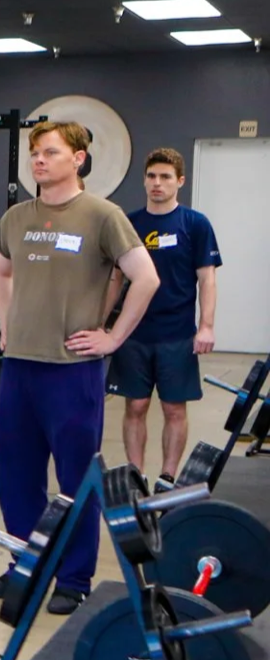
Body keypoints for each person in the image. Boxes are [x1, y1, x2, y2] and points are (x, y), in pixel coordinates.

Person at [0, 122, 158, 615]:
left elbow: (145, 277)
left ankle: (74, 577)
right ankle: (26, 563)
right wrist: (6, 324)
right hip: (19, 367)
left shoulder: (103, 215)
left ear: (78, 159)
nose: (39, 160)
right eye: (35, 153)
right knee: (14, 477)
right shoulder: (17, 217)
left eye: (50, 152)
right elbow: (1, 270)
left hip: (72, 370)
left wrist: (113, 337)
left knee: (75, 478)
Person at [105, 147, 222, 484]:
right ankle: (136, 474)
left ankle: (167, 477)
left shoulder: (195, 224)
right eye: (152, 176)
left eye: (165, 177)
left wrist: (207, 326)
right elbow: (116, 278)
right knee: (135, 406)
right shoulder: (130, 223)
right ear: (144, 180)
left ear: (179, 181)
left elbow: (207, 278)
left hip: (177, 334)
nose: (157, 183)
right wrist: (101, 322)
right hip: (134, 334)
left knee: (174, 409)